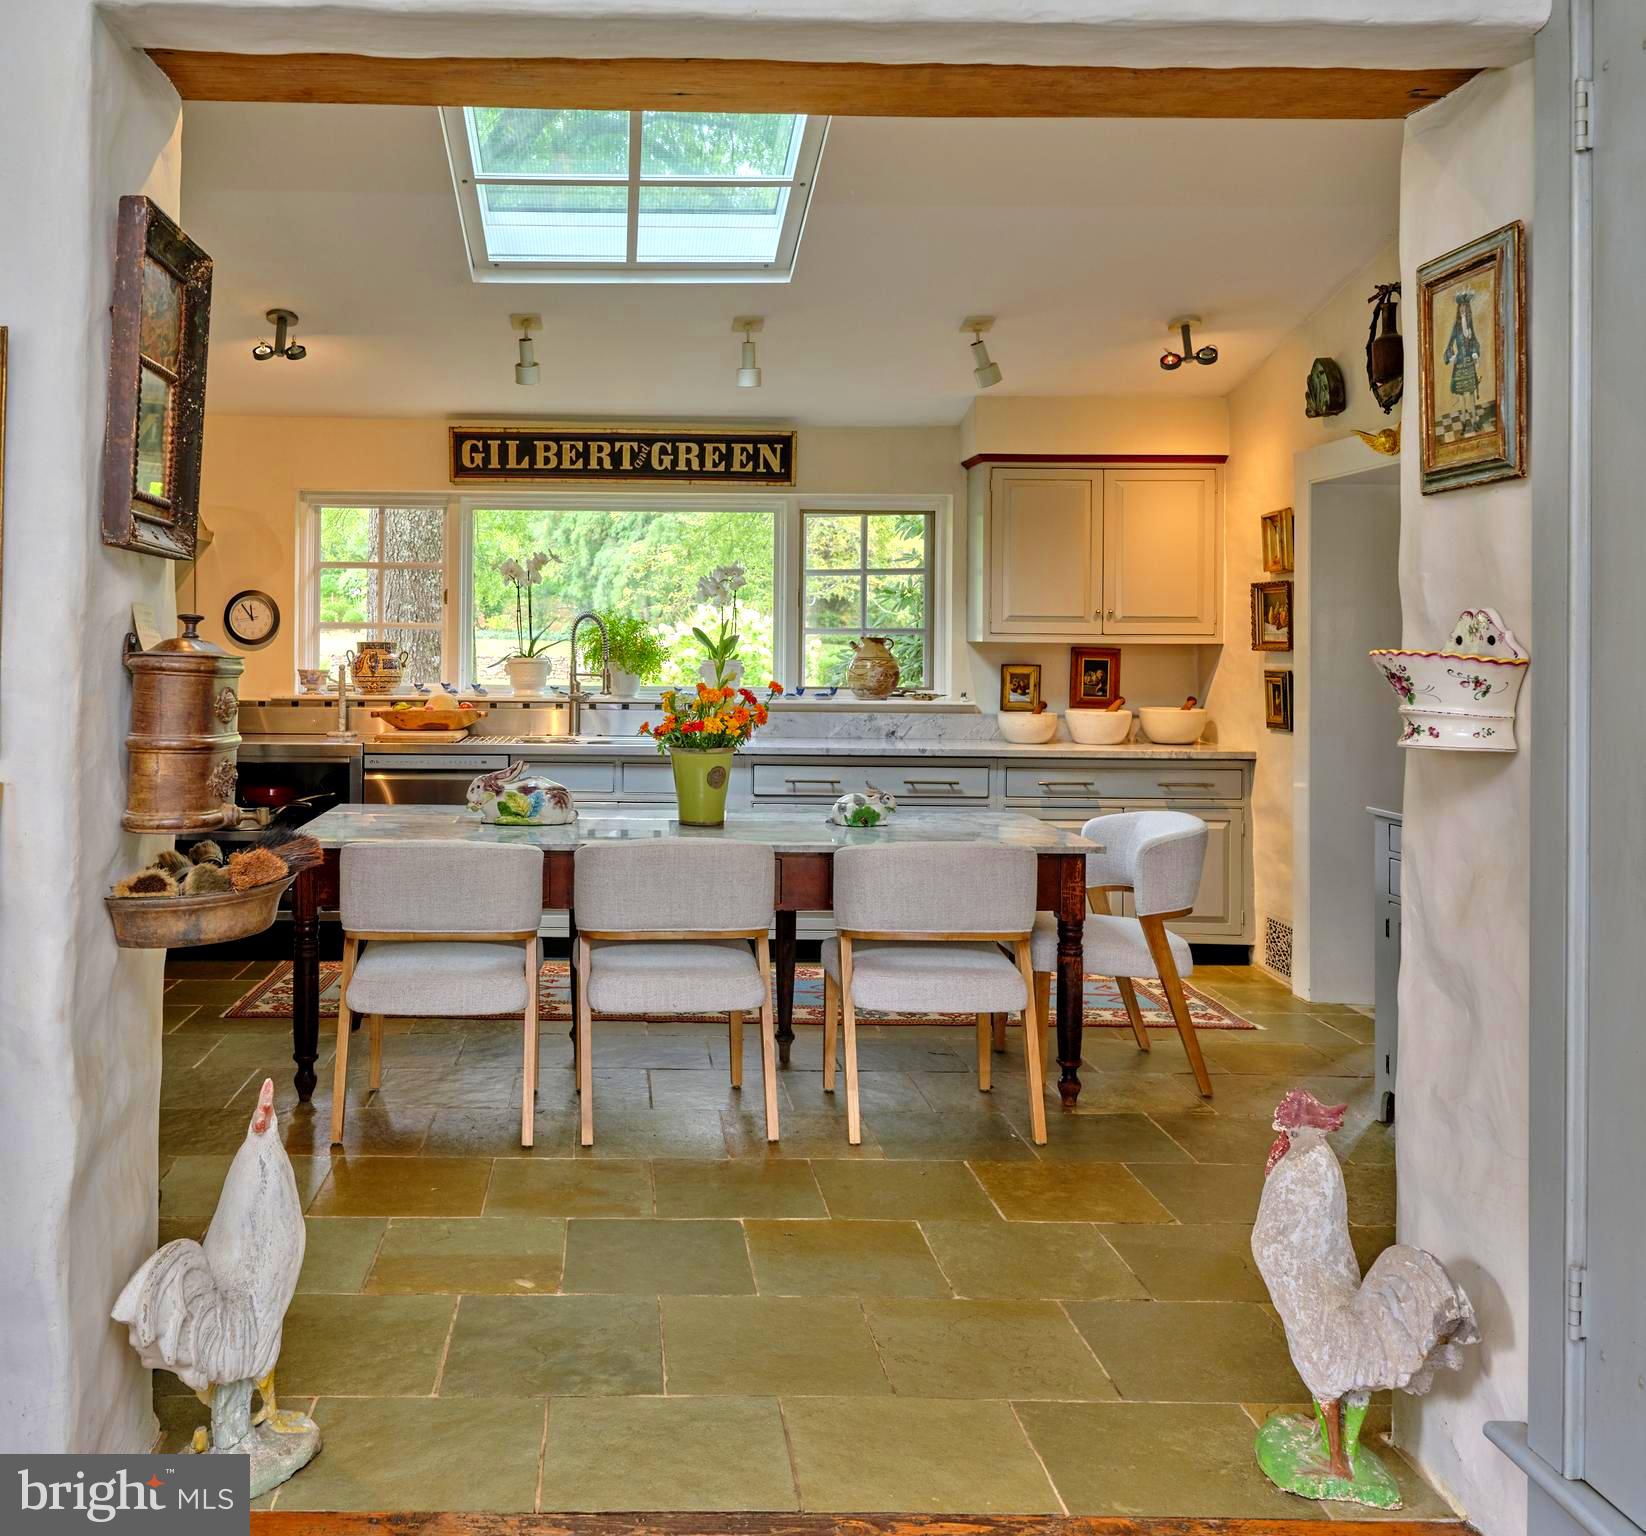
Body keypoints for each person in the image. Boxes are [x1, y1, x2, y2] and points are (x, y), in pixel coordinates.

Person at [1442, 288, 1482, 428]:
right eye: (1461, 309)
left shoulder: (1470, 326)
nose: (1463, 311)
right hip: (1459, 363)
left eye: (1465, 308)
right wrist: (1451, 356)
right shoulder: (1456, 327)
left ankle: (1474, 421)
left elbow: (1474, 341)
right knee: (1461, 394)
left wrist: (1475, 354)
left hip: (1469, 362)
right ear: (1459, 310)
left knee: (1471, 392)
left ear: (1468, 309)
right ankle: (1465, 421)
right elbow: (1449, 344)